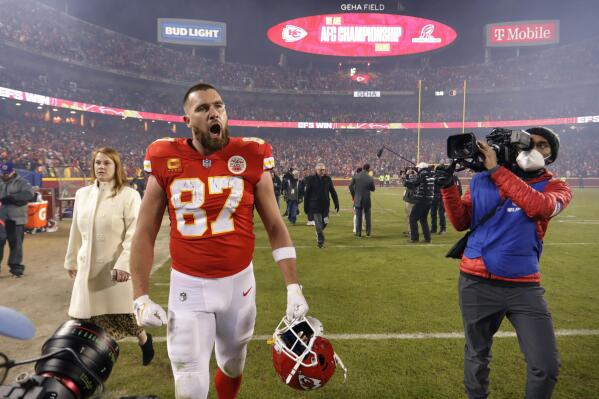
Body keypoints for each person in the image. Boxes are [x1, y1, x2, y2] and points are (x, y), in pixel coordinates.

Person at [130, 83, 309, 399]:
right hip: (188, 287)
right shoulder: (164, 156)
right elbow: (144, 232)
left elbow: (275, 225)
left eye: (219, 105)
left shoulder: (251, 154)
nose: (214, 112)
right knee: (189, 380)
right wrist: (140, 297)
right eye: (202, 108)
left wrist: (293, 286)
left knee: (232, 364)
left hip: (239, 286)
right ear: (187, 120)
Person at [439, 127, 572, 399]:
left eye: (543, 145)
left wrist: (498, 172)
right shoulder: (481, 180)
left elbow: (539, 207)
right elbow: (461, 221)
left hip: (524, 286)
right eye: (530, 143)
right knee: (477, 355)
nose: (534, 148)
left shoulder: (557, 187)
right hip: (476, 280)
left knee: (545, 365)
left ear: (552, 156)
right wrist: (448, 188)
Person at [63, 148, 154, 366]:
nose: (101, 167)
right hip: (87, 268)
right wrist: (71, 259)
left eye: (106, 163)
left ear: (116, 167)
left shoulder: (129, 195)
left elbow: (135, 233)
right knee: (85, 318)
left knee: (123, 317)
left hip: (114, 268)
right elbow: (75, 229)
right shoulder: (82, 194)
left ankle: (144, 339)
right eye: (98, 163)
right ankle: (91, 362)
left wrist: (124, 264)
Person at [0, 162, 34, 277]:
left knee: (15, 245)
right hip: (1, 219)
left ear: (13, 171)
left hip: (16, 219)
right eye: (3, 173)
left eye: (7, 173)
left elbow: (29, 194)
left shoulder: (22, 182)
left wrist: (12, 198)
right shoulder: (1, 182)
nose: (5, 175)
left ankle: (16, 269)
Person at [303, 162, 339, 248]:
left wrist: (336, 203)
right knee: (318, 224)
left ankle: (318, 233)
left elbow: (333, 192)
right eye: (320, 170)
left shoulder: (328, 179)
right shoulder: (311, 179)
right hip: (315, 206)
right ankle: (320, 242)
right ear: (316, 170)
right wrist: (306, 206)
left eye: (323, 169)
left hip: (325, 206)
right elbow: (307, 193)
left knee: (325, 222)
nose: (322, 171)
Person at [405, 163, 434, 243]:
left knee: (412, 218)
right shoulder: (431, 174)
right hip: (429, 200)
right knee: (423, 219)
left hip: (421, 200)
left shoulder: (422, 175)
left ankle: (414, 238)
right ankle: (427, 238)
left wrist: (407, 176)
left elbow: (413, 184)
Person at [349, 163, 375, 237]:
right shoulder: (370, 177)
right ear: (368, 169)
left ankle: (358, 233)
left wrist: (354, 195)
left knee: (358, 217)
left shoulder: (356, 175)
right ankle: (368, 233)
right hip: (366, 199)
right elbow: (373, 189)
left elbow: (350, 186)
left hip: (357, 198)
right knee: (368, 217)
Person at [431, 165, 447, 235]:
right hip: (442, 196)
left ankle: (433, 229)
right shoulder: (446, 176)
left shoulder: (434, 175)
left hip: (434, 196)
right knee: (441, 213)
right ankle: (443, 229)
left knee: (433, 213)